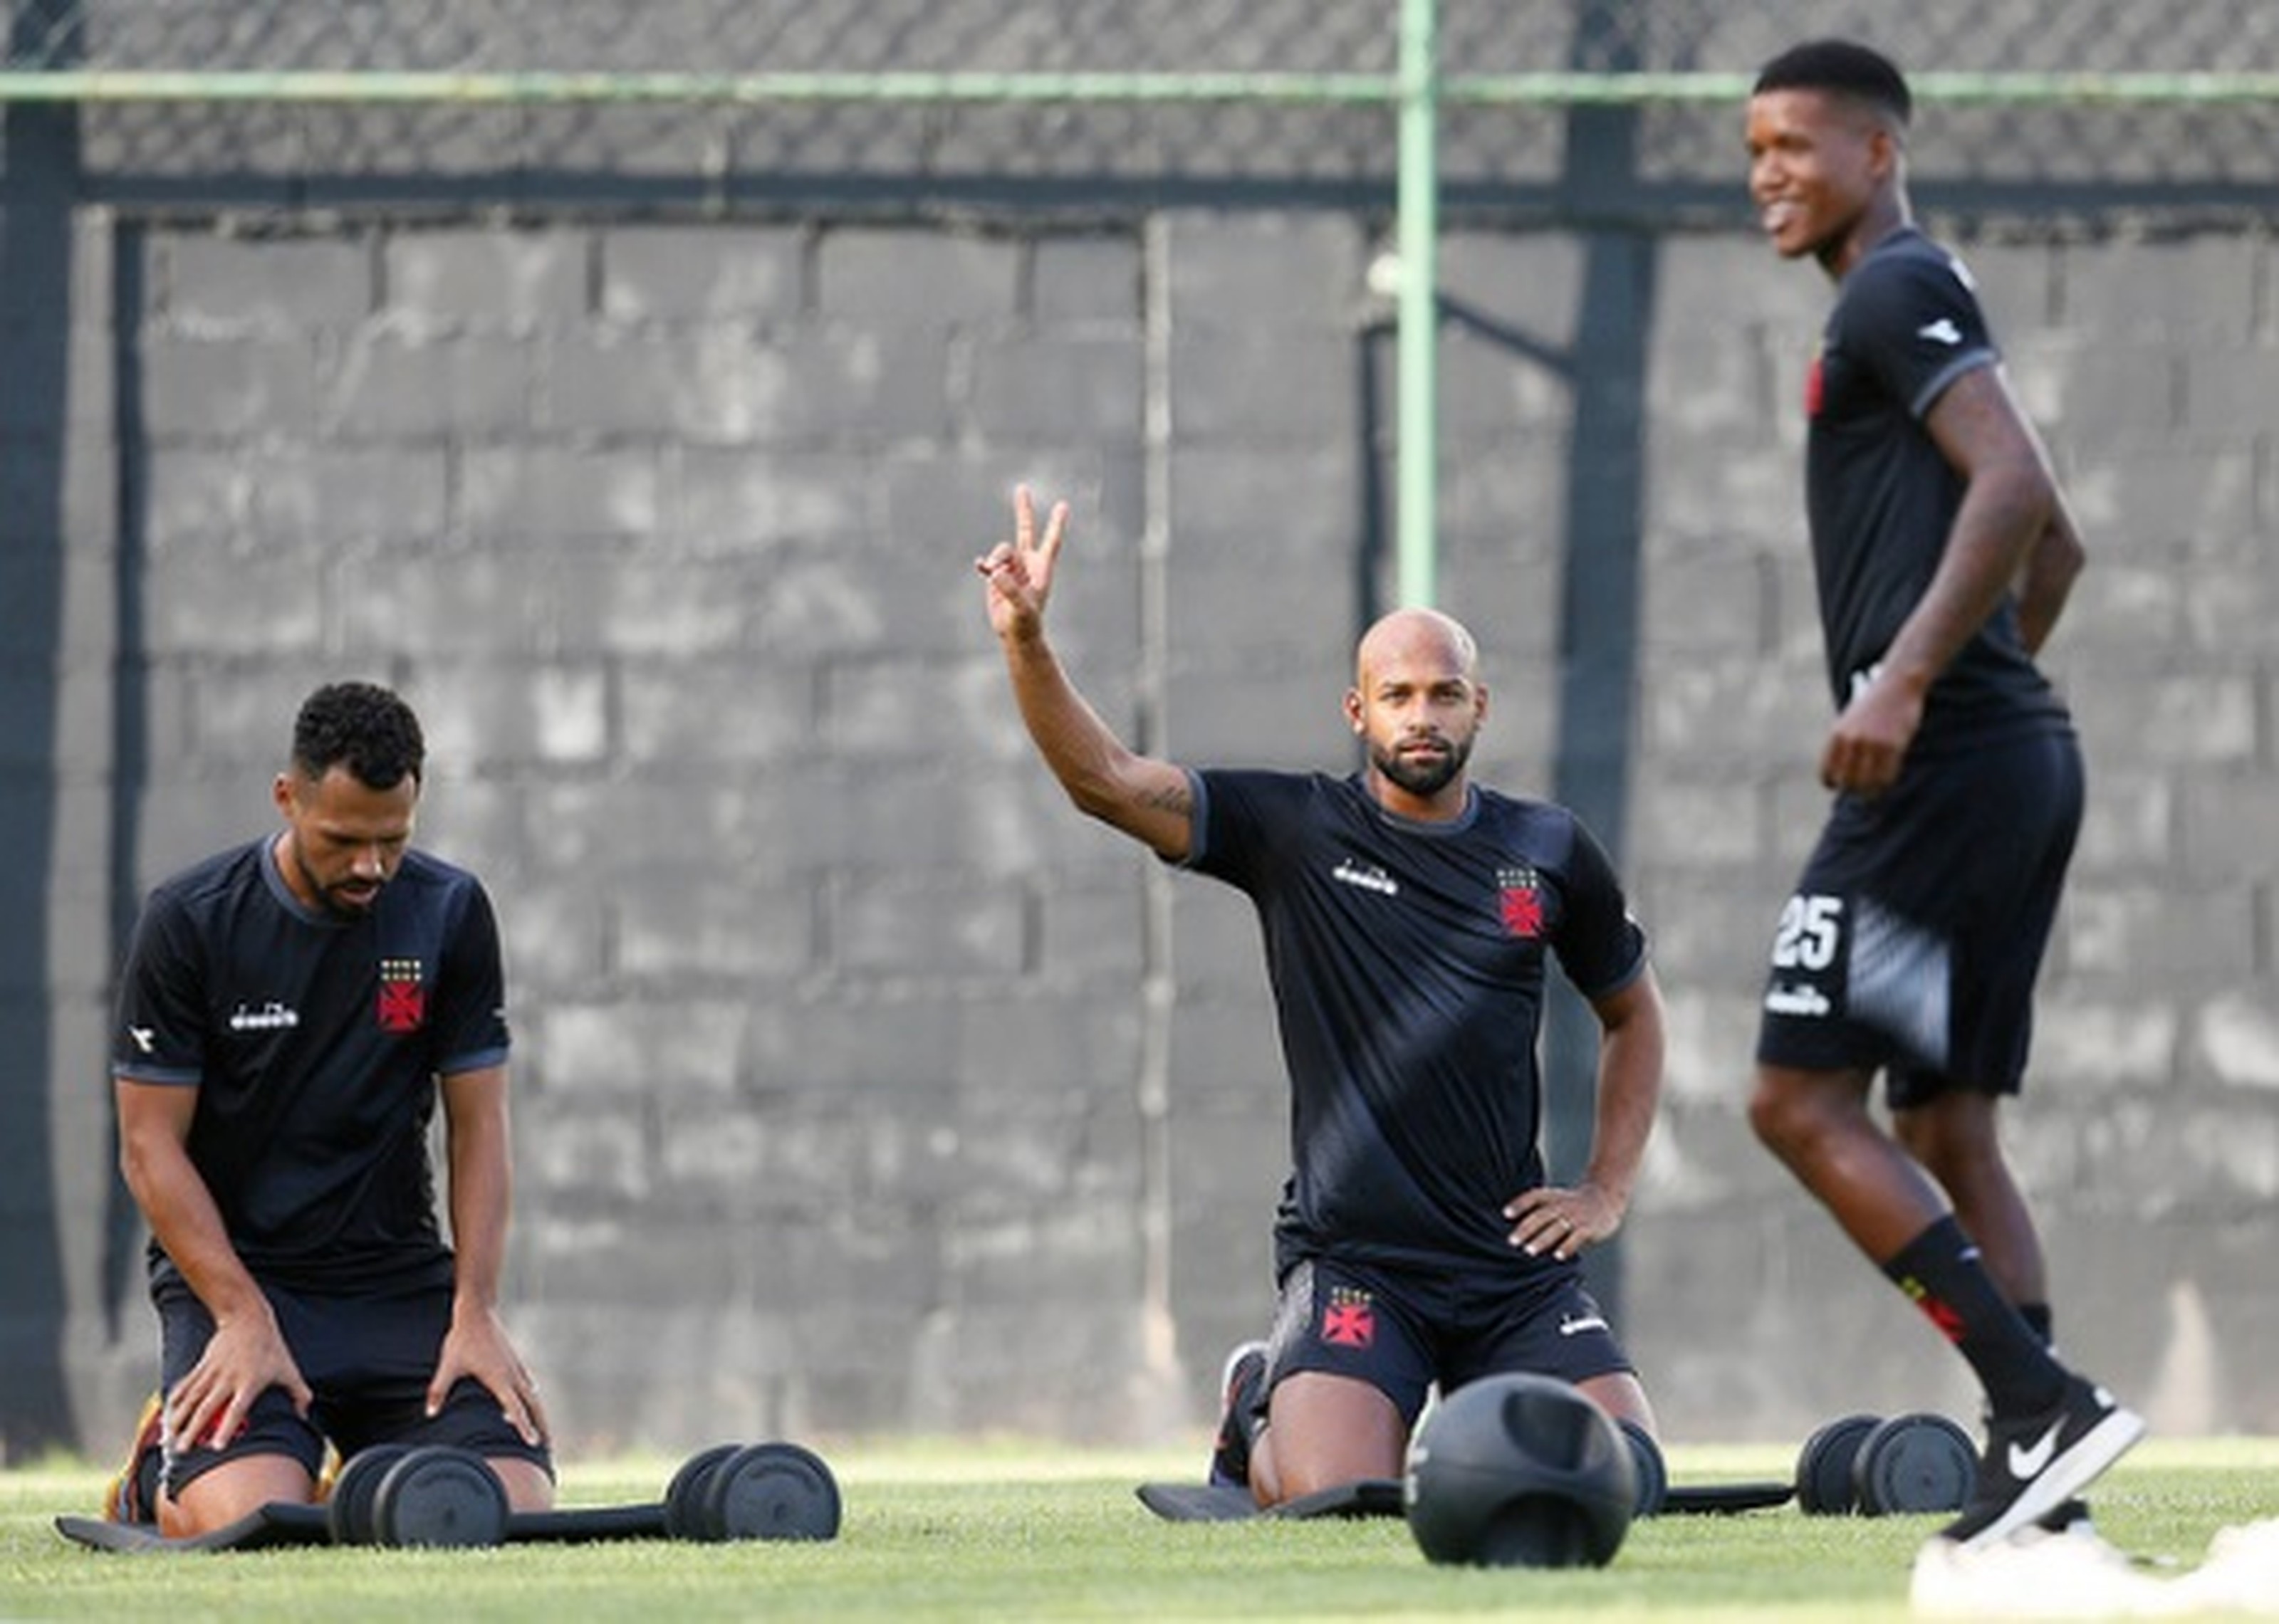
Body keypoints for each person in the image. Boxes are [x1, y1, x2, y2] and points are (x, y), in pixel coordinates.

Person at [977, 487, 1666, 1507]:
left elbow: (1632, 1012)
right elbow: (1107, 781)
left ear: (1479, 707)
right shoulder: (1295, 831)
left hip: (1510, 1262)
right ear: (1358, 712)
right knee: (1338, 1500)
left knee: (1624, 1480)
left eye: (1444, 694)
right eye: (1398, 695)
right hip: (1359, 1264)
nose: (1421, 716)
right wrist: (1026, 641)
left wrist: (1605, 1188)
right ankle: (1257, 1400)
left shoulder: (1548, 848)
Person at [1741, 40, 2141, 1548]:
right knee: (1946, 1117)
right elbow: (2058, 548)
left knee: (1796, 1099)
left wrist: (1910, 685)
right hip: (2007, 762)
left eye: (1793, 145)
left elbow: (2018, 486)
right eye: (1752, 153)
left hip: (1945, 774)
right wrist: (1973, 687)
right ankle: (2035, 1475)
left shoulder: (1890, 289)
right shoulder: (1909, 293)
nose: (1767, 175)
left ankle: (2041, 1404)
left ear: (1877, 152)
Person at [106, 680, 553, 1537]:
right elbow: (148, 1147)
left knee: (502, 1509)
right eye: (344, 840)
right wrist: (239, 1313)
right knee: (253, 1522)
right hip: (243, 1280)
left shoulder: (449, 912)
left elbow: (480, 1126)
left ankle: (369, 1462)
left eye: (392, 840)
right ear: (288, 797)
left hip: (394, 1278)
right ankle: (159, 1462)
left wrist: (476, 1310)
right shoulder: (189, 921)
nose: (370, 867)